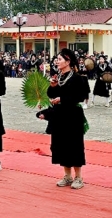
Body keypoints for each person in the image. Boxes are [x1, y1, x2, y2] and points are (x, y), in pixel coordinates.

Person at [36, 49, 89, 189]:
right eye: (57, 59)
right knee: (60, 145)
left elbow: (80, 96)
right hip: (59, 115)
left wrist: (62, 99)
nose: (57, 61)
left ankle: (78, 177)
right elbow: (51, 94)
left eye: (60, 59)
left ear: (68, 61)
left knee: (74, 145)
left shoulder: (78, 78)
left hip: (73, 115)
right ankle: (67, 175)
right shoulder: (58, 77)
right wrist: (53, 87)